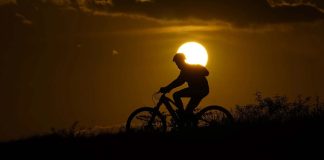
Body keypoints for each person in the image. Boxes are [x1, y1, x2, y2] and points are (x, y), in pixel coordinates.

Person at [159, 53, 209, 122]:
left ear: (182, 61)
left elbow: (206, 72)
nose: (177, 65)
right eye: (176, 64)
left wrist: (195, 72)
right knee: (188, 112)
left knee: (176, 95)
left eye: (178, 63)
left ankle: (181, 113)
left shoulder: (192, 67)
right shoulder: (184, 71)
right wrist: (168, 88)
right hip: (196, 90)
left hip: (200, 90)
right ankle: (188, 121)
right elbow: (178, 82)